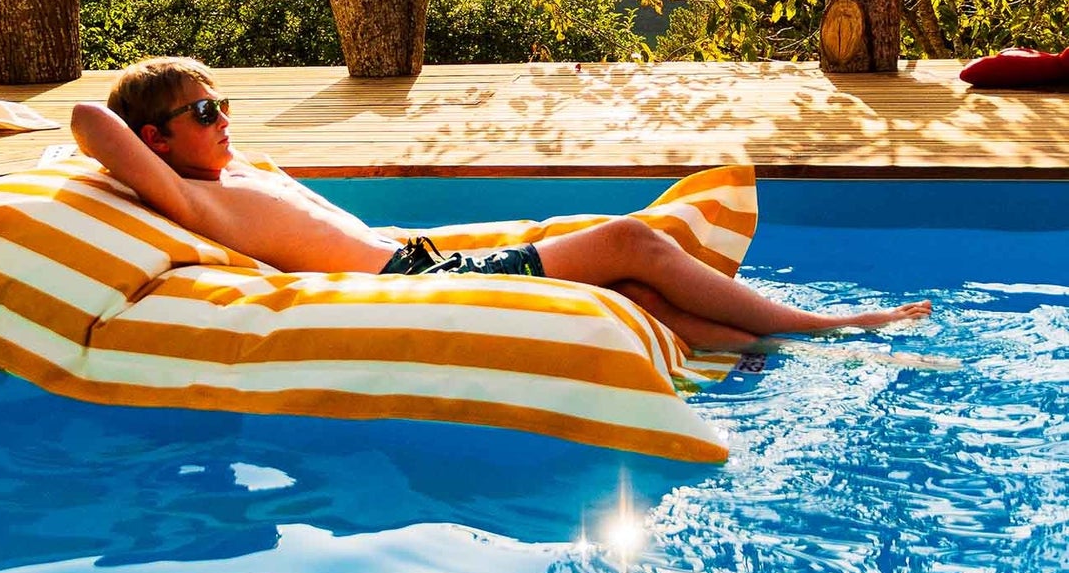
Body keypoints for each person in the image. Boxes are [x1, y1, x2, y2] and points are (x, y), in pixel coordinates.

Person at [70, 56, 931, 351]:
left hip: (422, 262)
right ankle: (827, 327)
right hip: (411, 283)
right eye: (204, 113)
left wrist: (204, 126)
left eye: (222, 103)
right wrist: (146, 128)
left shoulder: (233, 172)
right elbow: (86, 120)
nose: (225, 120)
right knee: (630, 241)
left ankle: (780, 352)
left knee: (635, 295)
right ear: (155, 141)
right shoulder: (191, 198)